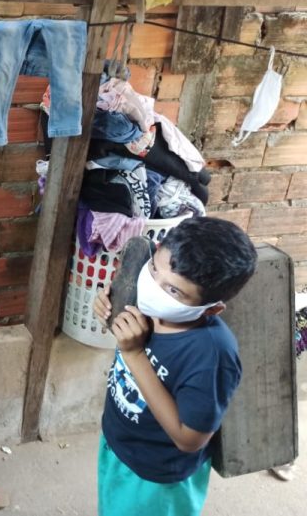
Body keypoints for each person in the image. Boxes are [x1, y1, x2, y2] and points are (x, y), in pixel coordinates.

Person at [93, 216, 257, 516]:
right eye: (154, 268)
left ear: (212, 309)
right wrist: (108, 311)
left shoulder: (212, 356)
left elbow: (189, 439)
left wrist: (134, 354)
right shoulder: (148, 303)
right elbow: (121, 319)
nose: (152, 287)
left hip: (157, 477)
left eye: (173, 291)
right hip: (119, 444)